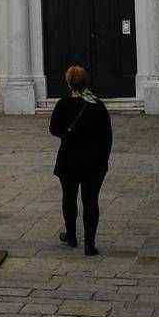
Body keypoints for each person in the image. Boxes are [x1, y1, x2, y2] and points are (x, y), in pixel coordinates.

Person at [48, 62, 112, 254]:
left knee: (69, 198)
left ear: (69, 83)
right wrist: (103, 160)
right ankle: (89, 244)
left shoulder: (63, 104)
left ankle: (72, 236)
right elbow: (107, 136)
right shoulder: (97, 105)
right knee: (90, 201)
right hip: (93, 162)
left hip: (69, 160)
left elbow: (54, 129)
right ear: (86, 82)